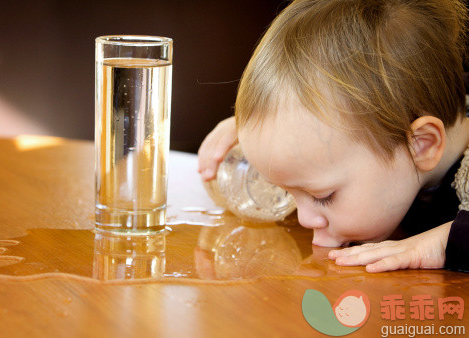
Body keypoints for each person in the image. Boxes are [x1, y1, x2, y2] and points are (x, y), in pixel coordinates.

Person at [197, 0, 469, 273]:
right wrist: (266, 134)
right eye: (289, 193)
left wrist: (443, 243)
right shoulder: (384, 146)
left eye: (324, 197)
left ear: (421, 145)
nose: (304, 219)